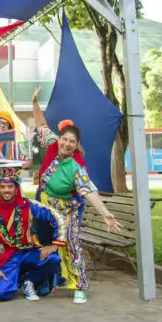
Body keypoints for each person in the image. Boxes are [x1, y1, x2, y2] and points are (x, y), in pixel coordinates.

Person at [32, 86, 123, 304]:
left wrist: (105, 213)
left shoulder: (77, 167)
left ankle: (79, 285)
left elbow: (89, 191)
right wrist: (34, 103)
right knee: (41, 241)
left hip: (68, 208)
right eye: (65, 139)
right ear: (60, 138)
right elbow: (41, 125)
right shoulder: (52, 144)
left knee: (71, 243)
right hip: (45, 203)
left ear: (75, 145)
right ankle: (53, 279)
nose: (66, 144)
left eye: (72, 142)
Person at [0, 167, 67, 302]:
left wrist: (54, 245)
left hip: (30, 252)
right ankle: (15, 279)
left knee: (53, 259)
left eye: (10, 186)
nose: (6, 190)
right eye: (2, 187)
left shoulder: (29, 205)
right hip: (9, 257)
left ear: (16, 187)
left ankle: (28, 280)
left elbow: (58, 218)